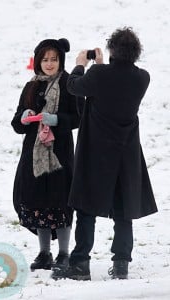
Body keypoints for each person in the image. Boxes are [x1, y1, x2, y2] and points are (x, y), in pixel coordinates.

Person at [56, 27, 158, 281]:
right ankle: (121, 263)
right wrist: (99, 67)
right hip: (126, 153)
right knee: (124, 210)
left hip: (96, 152)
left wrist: (81, 65)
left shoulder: (99, 75)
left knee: (87, 207)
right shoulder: (142, 78)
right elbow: (111, 84)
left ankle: (80, 264)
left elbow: (74, 86)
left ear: (113, 49)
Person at [11, 38, 84, 275]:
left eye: (54, 59)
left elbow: (78, 117)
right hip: (33, 156)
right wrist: (24, 117)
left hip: (59, 155)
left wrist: (57, 120)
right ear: (38, 61)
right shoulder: (31, 86)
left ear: (60, 61)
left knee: (60, 202)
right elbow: (16, 123)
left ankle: (64, 253)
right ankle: (44, 252)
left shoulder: (68, 84)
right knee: (38, 202)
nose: (49, 63)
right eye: (45, 59)